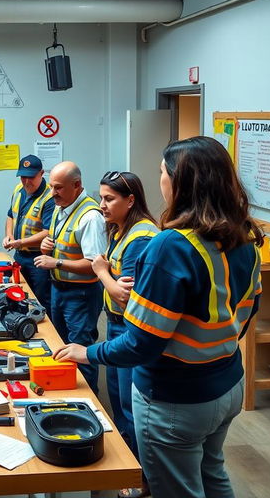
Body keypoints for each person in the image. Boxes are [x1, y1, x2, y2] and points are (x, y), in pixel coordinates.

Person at [55, 137, 264, 498]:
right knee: (212, 474)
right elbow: (247, 313)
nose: (160, 181)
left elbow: (141, 343)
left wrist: (86, 353)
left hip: (176, 398)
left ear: (181, 183)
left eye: (162, 173)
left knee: (178, 488)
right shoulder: (243, 236)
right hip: (228, 382)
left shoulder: (170, 246)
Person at [91, 171, 159, 498]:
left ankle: (141, 478)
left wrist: (101, 270)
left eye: (109, 199)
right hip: (116, 324)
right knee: (118, 402)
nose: (102, 204)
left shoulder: (141, 237)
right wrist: (109, 275)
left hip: (129, 328)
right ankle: (127, 466)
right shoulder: (121, 229)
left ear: (130, 200)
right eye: (101, 197)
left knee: (131, 410)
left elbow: (125, 295)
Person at [33, 161, 106, 393]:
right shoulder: (60, 205)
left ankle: (90, 403)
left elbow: (96, 265)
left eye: (58, 188)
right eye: (52, 187)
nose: (52, 193)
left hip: (81, 294)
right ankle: (67, 393)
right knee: (61, 346)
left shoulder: (91, 217)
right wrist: (47, 246)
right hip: (59, 288)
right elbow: (61, 243)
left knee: (81, 351)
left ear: (77, 185)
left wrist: (57, 262)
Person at [2, 154, 55, 314]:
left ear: (41, 173)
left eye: (31, 177)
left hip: (39, 258)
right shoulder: (19, 190)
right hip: (20, 256)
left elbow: (48, 232)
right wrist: (9, 235)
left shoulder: (49, 197)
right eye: (23, 177)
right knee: (19, 295)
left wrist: (21, 242)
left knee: (41, 300)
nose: (26, 181)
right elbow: (11, 215)